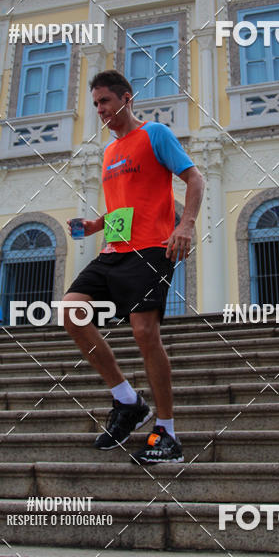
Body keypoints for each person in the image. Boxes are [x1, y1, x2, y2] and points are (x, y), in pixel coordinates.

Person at [63, 69, 204, 464]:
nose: (100, 110)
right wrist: (96, 224)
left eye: (104, 101)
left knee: (145, 332)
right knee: (72, 312)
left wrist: (186, 224)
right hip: (114, 250)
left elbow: (195, 178)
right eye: (95, 105)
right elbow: (122, 208)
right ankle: (128, 401)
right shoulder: (109, 153)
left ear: (126, 98)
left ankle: (167, 431)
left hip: (152, 249)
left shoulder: (155, 134)